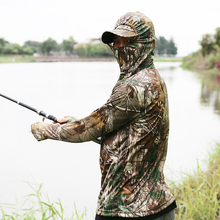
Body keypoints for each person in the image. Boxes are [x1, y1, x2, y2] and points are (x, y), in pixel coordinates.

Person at [31, 11, 176, 220]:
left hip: (128, 209)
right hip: (157, 204)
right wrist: (75, 122)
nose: (117, 47)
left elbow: (89, 128)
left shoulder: (133, 87)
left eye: (125, 41)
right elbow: (120, 129)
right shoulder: (153, 79)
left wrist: (45, 130)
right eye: (115, 42)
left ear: (144, 42)